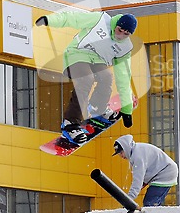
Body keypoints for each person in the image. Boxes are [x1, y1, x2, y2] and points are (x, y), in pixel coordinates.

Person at [35, 11, 137, 144]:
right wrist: (49, 20)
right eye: (119, 30)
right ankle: (70, 123)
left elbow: (123, 76)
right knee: (86, 79)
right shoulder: (99, 20)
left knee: (106, 77)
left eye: (126, 34)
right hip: (76, 53)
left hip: (97, 60)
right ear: (116, 25)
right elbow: (72, 17)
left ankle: (97, 107)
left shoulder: (125, 48)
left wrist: (127, 109)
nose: (120, 35)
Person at [113, 134, 178, 207]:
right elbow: (143, 177)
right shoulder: (137, 150)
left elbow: (138, 180)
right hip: (163, 171)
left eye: (121, 152)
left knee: (150, 204)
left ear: (126, 148)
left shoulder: (138, 156)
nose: (121, 156)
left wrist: (128, 200)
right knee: (151, 203)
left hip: (165, 173)